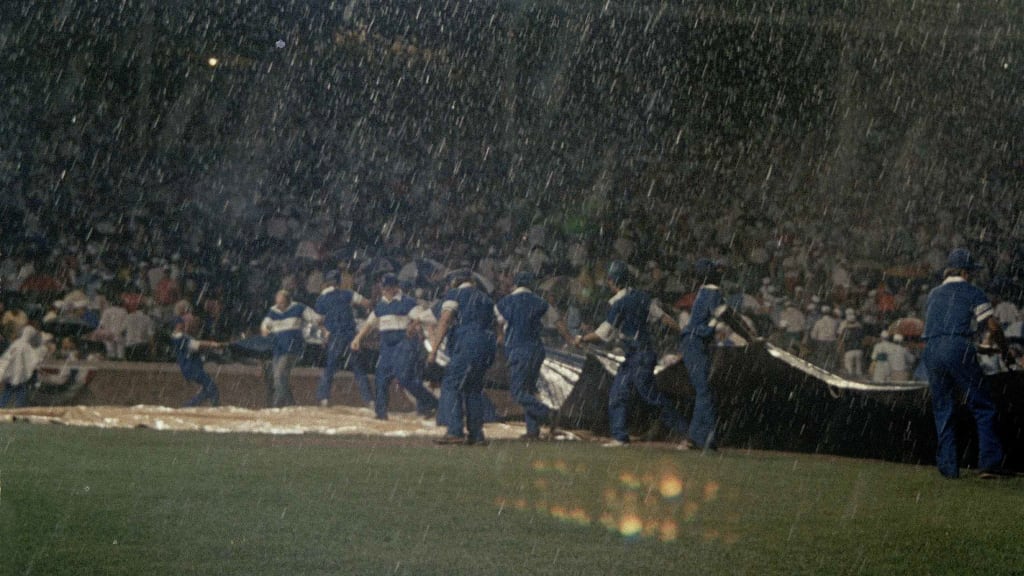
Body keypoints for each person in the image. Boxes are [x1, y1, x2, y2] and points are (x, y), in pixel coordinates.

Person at [922, 248, 1012, 479]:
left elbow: (942, 330)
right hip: (957, 347)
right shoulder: (971, 291)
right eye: (970, 272)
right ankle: (989, 464)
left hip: (931, 348)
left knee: (943, 408)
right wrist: (1005, 350)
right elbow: (991, 326)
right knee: (982, 405)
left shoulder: (933, 293)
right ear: (964, 271)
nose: (972, 276)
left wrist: (974, 346)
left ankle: (948, 468)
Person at [574, 261, 686, 447]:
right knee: (621, 393)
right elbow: (665, 318)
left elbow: (604, 334)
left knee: (648, 396)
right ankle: (620, 437)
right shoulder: (642, 297)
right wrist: (683, 332)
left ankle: (684, 433)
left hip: (638, 356)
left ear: (611, 282)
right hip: (642, 354)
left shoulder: (618, 304)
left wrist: (582, 338)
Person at [495, 271, 572, 441]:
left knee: (518, 392)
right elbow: (559, 323)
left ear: (515, 284)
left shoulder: (504, 302)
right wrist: (571, 340)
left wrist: (501, 338)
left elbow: (499, 325)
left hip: (517, 348)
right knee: (529, 389)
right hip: (536, 350)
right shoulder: (541, 303)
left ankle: (546, 413)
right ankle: (532, 430)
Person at [351, 273, 438, 420]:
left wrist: (423, 333)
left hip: (404, 343)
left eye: (389, 287)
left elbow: (424, 318)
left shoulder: (407, 302)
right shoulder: (381, 305)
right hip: (387, 345)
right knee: (381, 377)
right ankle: (381, 413)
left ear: (396, 287)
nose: (386, 291)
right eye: (384, 288)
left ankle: (431, 403)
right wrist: (358, 338)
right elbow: (370, 324)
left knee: (404, 377)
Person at [428, 269, 497, 445]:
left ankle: (455, 430)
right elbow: (498, 326)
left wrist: (434, 349)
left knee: (451, 384)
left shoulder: (455, 294)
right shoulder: (486, 299)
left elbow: (444, 320)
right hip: (487, 344)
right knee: (473, 388)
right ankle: (476, 434)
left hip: (467, 343)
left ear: (454, 282)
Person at [679, 259, 726, 450]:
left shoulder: (705, 291)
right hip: (695, 341)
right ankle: (707, 438)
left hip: (694, 341)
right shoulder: (712, 291)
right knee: (704, 391)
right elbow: (723, 316)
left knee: (703, 391)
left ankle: (694, 437)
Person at [314, 269, 373, 407]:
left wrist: (325, 333)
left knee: (330, 368)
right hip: (350, 335)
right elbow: (366, 303)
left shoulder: (321, 299)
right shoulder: (347, 293)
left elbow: (318, 321)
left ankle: (323, 398)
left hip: (335, 336)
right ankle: (369, 400)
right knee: (358, 368)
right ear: (339, 282)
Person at [260, 289, 321, 408]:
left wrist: (318, 327)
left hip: (292, 349)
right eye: (278, 303)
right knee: (280, 378)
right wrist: (265, 330)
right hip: (278, 349)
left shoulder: (299, 308)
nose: (279, 306)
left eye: (282, 303)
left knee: (279, 375)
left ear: (289, 301)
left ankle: (276, 405)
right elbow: (265, 325)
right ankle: (291, 405)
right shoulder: (273, 311)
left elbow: (316, 319)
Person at [171, 315, 224, 407]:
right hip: (192, 368)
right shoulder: (180, 338)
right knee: (212, 388)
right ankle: (190, 406)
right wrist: (212, 344)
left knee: (208, 389)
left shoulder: (182, 337)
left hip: (193, 367)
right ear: (179, 325)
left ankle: (189, 406)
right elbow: (197, 345)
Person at [0, 316, 48, 408]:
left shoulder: (17, 344)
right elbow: (33, 360)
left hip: (15, 373)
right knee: (17, 389)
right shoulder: (25, 346)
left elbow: (7, 358)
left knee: (14, 389)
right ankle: (16, 406)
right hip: (19, 373)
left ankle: (6, 406)